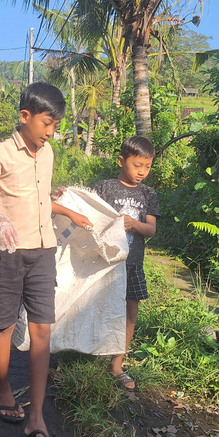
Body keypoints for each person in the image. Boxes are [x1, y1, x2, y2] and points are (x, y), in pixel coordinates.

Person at [0, 82, 93, 437]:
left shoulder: (49, 152)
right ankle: (4, 388)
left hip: (43, 252)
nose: (51, 132)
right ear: (25, 117)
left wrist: (68, 209)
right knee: (3, 323)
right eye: (47, 124)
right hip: (8, 252)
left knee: (43, 328)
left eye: (55, 125)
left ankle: (36, 414)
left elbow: (42, 200)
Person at [93, 136, 160, 391]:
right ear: (122, 161)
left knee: (130, 312)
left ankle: (117, 363)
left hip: (132, 264)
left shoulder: (148, 194)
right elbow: (88, 214)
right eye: (137, 165)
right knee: (98, 307)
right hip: (105, 264)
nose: (142, 172)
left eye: (148, 166)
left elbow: (151, 229)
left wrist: (134, 224)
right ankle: (90, 349)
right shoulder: (104, 188)